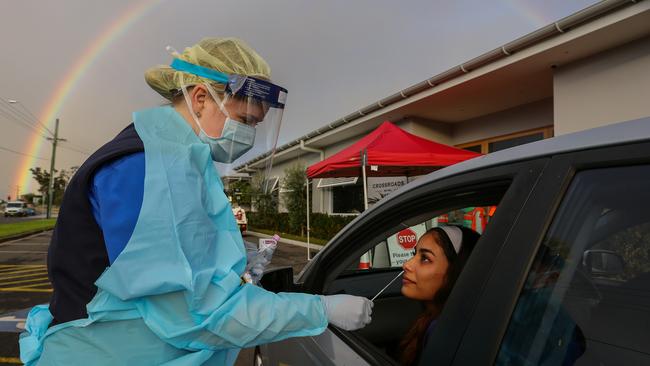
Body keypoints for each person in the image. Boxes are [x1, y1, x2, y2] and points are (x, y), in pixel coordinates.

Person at [19, 37, 372, 365]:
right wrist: (320, 310)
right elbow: (196, 313)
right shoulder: (148, 167)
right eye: (244, 119)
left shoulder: (174, 159)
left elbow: (177, 264)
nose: (248, 134)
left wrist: (229, 265)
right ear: (200, 97)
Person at [399, 225, 480, 366]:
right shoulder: (434, 319)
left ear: (455, 273)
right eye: (414, 254)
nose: (407, 264)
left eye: (425, 258)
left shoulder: (444, 332)